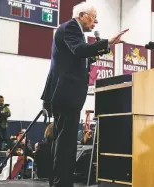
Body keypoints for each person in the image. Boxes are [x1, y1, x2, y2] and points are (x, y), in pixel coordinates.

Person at [41, 2, 128, 187]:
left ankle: (60, 181)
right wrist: (107, 42)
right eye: (93, 17)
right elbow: (80, 51)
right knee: (66, 142)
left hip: (65, 94)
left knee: (65, 141)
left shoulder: (74, 32)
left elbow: (81, 55)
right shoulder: (71, 27)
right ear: (81, 15)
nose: (95, 21)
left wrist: (103, 47)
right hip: (66, 93)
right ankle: (61, 183)